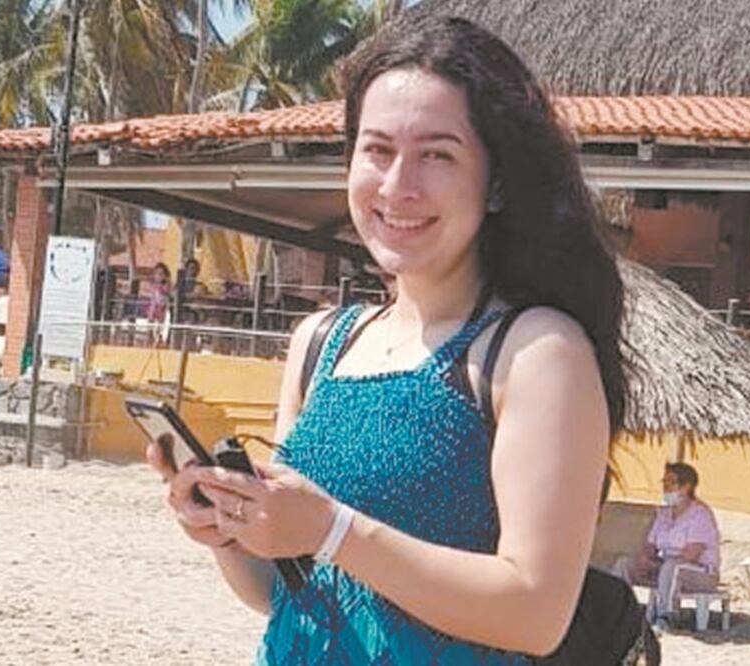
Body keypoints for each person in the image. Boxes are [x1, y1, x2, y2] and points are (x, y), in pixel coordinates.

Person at [147, 17, 626, 663]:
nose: (398, 185)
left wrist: (333, 528)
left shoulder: (536, 352)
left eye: (437, 155)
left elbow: (535, 611)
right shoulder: (322, 343)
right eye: (376, 150)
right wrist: (226, 532)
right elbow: (287, 592)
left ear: (498, 183)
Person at [613, 462, 721, 633]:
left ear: (686, 487)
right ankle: (616, 613)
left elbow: (691, 554)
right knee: (624, 564)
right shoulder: (663, 514)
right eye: (664, 482)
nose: (665, 487)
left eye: (670, 483)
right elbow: (650, 545)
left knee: (672, 567)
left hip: (700, 572)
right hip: (664, 567)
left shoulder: (700, 514)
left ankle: (666, 616)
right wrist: (645, 559)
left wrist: (659, 565)